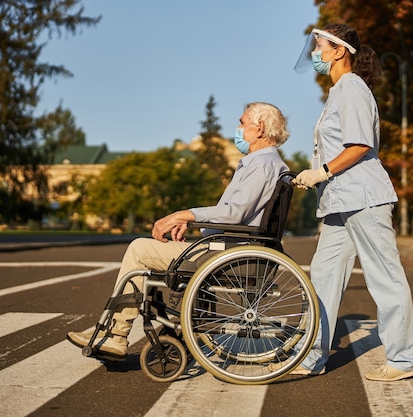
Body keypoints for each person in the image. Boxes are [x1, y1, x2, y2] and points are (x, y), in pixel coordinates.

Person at [67, 102, 290, 361]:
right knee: (148, 251)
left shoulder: (261, 165)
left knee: (139, 249)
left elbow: (234, 214)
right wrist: (195, 224)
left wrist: (182, 215)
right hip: (233, 250)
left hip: (230, 255)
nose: (238, 129)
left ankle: (116, 335)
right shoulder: (267, 164)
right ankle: (126, 331)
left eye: (242, 122)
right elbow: (237, 214)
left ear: (259, 128)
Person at [288, 24, 413, 381]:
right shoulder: (339, 91)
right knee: (324, 275)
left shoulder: (351, 88)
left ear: (339, 51)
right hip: (339, 202)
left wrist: (322, 171)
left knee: (385, 276)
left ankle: (405, 359)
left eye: (320, 46)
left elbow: (360, 145)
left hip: (363, 197)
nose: (315, 52)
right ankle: (312, 356)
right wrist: (322, 177)